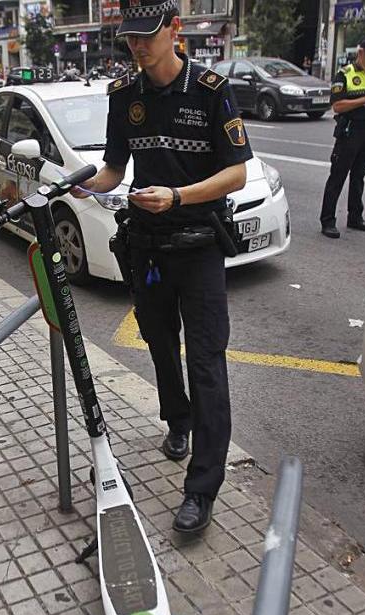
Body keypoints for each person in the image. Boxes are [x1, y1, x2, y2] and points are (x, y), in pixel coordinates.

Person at [70, 0, 251, 534]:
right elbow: (113, 169)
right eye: (129, 38)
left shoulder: (212, 90)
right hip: (147, 246)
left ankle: (202, 489)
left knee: (207, 362)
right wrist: (75, 185)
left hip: (198, 247)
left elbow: (237, 173)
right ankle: (178, 419)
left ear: (175, 30)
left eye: (147, 36)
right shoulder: (125, 96)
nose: (137, 47)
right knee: (155, 340)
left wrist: (178, 196)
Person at [319, 37, 365, 239]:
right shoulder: (344, 75)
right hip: (350, 131)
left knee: (359, 176)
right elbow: (338, 106)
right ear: (361, 53)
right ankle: (328, 220)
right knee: (338, 176)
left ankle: (355, 216)